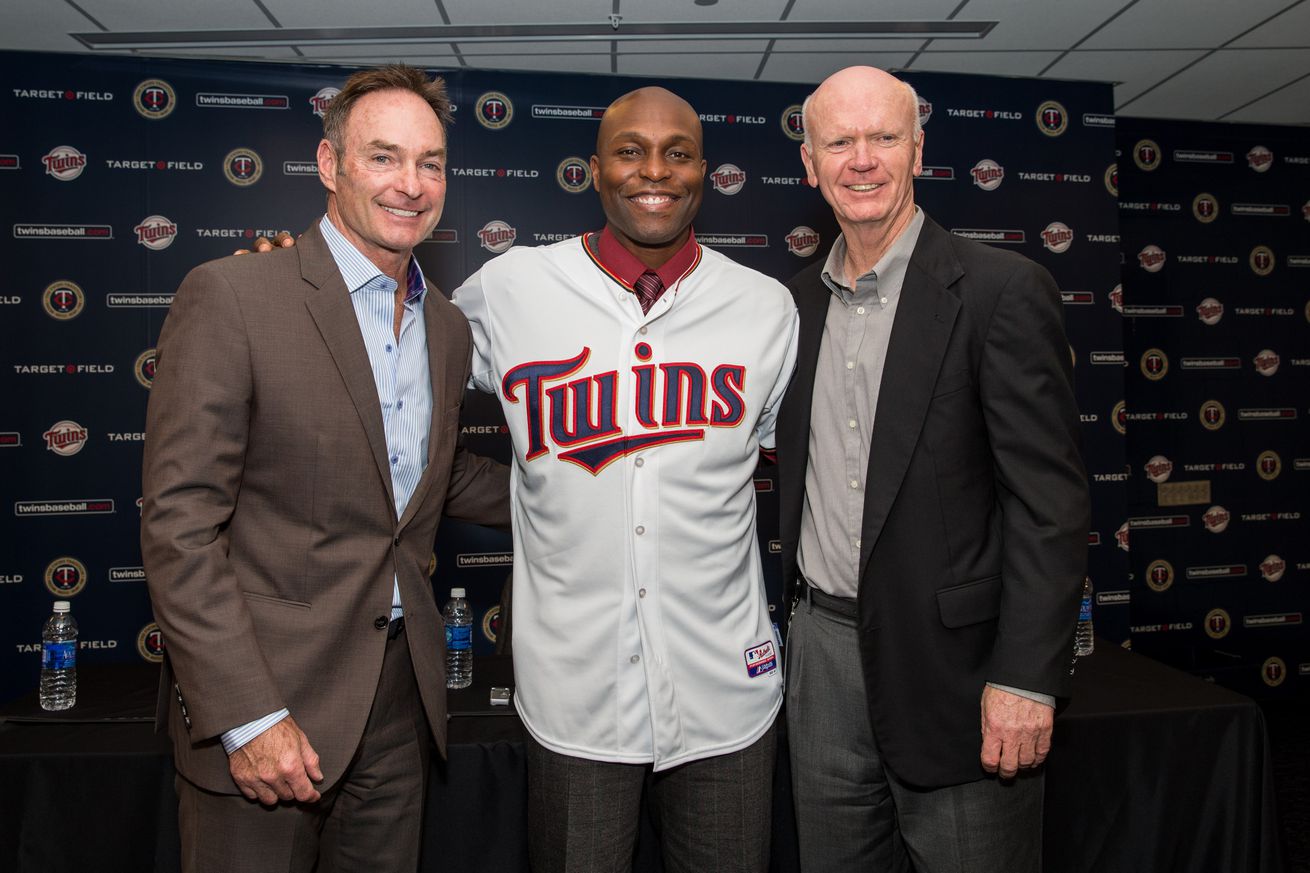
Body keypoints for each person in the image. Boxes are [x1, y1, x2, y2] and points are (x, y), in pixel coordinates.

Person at [140, 65, 509, 872]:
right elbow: (179, 522)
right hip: (269, 707)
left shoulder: (445, 328)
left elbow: (420, 484)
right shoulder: (235, 296)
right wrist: (247, 714)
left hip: (397, 713)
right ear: (330, 163)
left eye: (431, 162)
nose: (411, 184)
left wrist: (608, 483)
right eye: (383, 157)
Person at [452, 86, 798, 873]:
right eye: (630, 151)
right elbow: (398, 380)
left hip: (726, 695)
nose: (655, 170)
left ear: (703, 172)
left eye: (677, 152)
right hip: (576, 697)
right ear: (594, 170)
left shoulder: (765, 308)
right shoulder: (509, 290)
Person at [776, 66, 1090, 872]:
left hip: (962, 676)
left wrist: (1026, 677)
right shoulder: (790, 308)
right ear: (809, 164)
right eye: (838, 141)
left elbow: (1048, 505)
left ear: (919, 150)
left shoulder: (1000, 291)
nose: (862, 159)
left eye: (884, 137)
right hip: (822, 661)